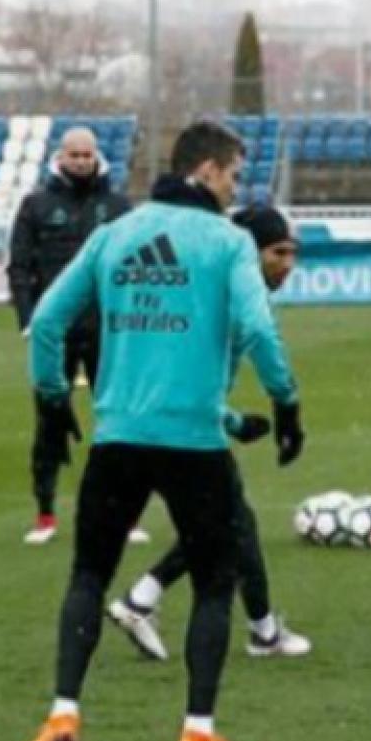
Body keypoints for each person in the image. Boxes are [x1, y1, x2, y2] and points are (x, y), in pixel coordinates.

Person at [19, 121, 303, 741]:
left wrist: (53, 395)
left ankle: (62, 714)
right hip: (193, 443)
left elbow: (48, 322)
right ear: (206, 171)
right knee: (213, 582)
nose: (235, 190)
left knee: (89, 574)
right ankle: (197, 733)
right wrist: (286, 402)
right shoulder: (227, 243)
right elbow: (260, 328)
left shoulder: (115, 234)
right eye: (232, 176)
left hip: (118, 437)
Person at [108, 205, 312, 661]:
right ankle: (262, 634)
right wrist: (286, 405)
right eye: (279, 252)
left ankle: (143, 598)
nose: (288, 264)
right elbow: (255, 343)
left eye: (293, 253)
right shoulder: (234, 301)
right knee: (234, 524)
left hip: (152, 420)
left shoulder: (203, 291)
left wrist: (234, 422)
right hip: (177, 428)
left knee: (222, 524)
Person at [6, 127, 136, 546]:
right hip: (55, 334)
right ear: (59, 158)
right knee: (48, 423)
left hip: (107, 332)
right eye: (73, 155)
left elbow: (136, 270)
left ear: (97, 157)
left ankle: (125, 516)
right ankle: (45, 514)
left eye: (87, 154)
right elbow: (19, 268)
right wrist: (29, 320)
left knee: (119, 422)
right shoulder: (36, 205)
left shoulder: (118, 206)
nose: (80, 161)